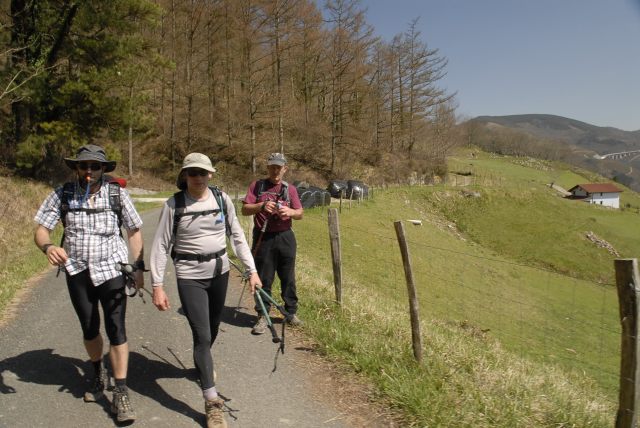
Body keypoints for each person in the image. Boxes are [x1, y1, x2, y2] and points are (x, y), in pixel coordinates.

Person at [33, 144, 144, 423]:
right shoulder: (62, 194)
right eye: (84, 165)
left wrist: (138, 267)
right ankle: (97, 374)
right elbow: (41, 230)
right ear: (76, 167)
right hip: (77, 271)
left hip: (112, 269)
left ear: (104, 169)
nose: (89, 171)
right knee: (89, 327)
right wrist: (48, 247)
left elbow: (134, 231)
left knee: (117, 328)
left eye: (95, 166)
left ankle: (121, 391)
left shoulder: (117, 194)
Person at [150, 152, 261, 428]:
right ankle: (212, 401)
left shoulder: (221, 200)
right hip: (190, 276)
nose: (198, 178)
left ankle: (203, 364)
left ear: (210, 174)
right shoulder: (174, 205)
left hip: (219, 273)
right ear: (185, 175)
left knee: (211, 330)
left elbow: (237, 236)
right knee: (202, 335)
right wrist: (157, 285)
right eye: (193, 173)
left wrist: (252, 271)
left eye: (202, 172)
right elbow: (161, 246)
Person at [241, 152, 304, 335]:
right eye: (272, 167)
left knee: (288, 277)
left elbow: (300, 213)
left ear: (285, 169)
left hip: (285, 236)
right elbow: (245, 209)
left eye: (279, 167)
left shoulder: (290, 189)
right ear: (268, 168)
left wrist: (289, 212)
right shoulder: (257, 186)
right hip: (264, 237)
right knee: (264, 278)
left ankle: (290, 313)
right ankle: (262, 315)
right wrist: (261, 206)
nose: (275, 170)